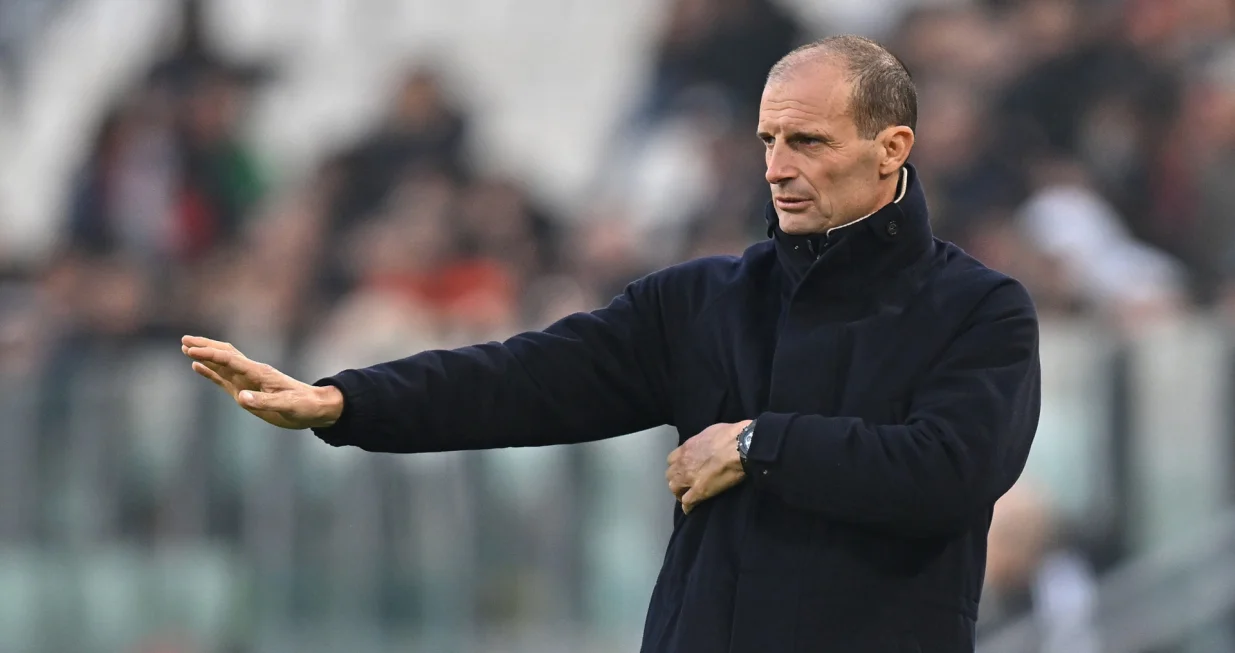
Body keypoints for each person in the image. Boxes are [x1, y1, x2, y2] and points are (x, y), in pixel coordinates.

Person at [183, 35, 1041, 653]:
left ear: (891, 149)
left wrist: (756, 442)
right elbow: (523, 379)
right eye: (768, 140)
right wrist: (344, 400)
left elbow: (950, 472)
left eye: (808, 141)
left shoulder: (980, 309)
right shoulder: (705, 299)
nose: (777, 165)